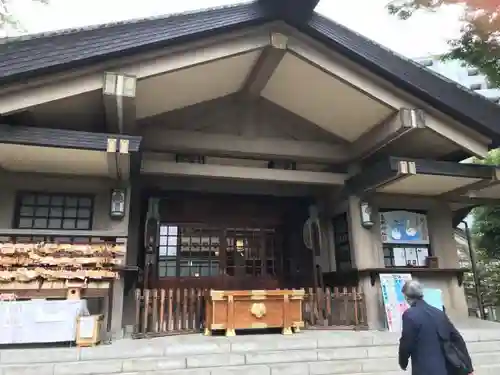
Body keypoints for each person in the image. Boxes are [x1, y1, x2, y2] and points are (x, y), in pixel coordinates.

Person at [398, 280, 474, 375]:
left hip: (424, 369)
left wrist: (403, 362)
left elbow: (406, 342)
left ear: (406, 296)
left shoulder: (409, 315)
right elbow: (457, 338)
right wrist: (469, 367)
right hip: (446, 368)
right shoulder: (439, 313)